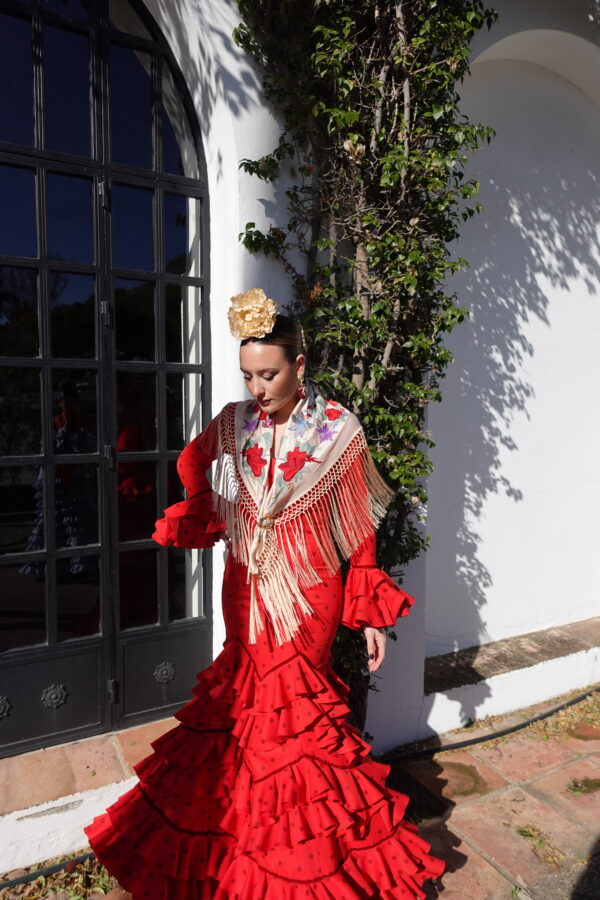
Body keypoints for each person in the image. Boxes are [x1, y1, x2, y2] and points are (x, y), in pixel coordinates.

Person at [84, 288, 444, 898]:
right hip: (246, 586)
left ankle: (301, 867)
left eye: (269, 374)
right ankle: (243, 852)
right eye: (248, 374)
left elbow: (357, 528)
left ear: (300, 365)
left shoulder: (337, 430)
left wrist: (371, 617)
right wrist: (213, 508)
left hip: (310, 596)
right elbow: (191, 462)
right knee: (241, 711)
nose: (258, 387)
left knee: (298, 724)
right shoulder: (233, 421)